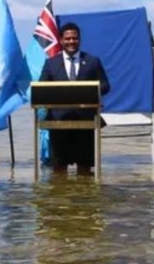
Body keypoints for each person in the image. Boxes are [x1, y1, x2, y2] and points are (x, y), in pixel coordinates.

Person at [39, 22, 110, 174]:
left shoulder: (92, 61)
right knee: (59, 171)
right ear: (61, 40)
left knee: (85, 170)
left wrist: (89, 92)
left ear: (80, 39)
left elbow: (105, 85)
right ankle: (61, 197)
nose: (71, 41)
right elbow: (41, 87)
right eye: (68, 38)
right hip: (58, 123)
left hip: (85, 122)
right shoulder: (51, 64)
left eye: (75, 38)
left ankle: (84, 197)